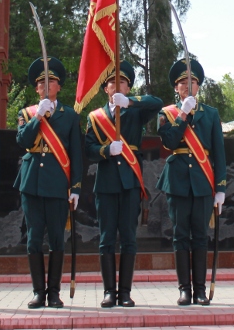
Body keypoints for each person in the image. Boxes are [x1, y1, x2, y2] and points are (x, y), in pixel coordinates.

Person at [84, 61, 163, 307]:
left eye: (123, 83)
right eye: (112, 83)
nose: (117, 86)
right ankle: (109, 291)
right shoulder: (95, 117)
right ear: (105, 89)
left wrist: (129, 102)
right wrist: (106, 150)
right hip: (106, 183)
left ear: (128, 87)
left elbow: (157, 103)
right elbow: (88, 149)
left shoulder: (135, 111)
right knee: (107, 237)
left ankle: (125, 292)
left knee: (128, 237)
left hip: (130, 182)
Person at [157, 58, 226, 306]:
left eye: (192, 82)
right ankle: (184, 289)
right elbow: (170, 143)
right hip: (176, 182)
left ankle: (199, 289)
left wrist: (220, 188)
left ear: (199, 86)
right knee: (180, 236)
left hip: (202, 180)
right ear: (176, 88)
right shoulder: (167, 113)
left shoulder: (211, 114)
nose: (188, 86)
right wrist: (183, 114)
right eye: (182, 83)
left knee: (200, 236)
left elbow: (219, 153)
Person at [16, 57, 82, 309]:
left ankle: (54, 292)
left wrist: (75, 187)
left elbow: (76, 153)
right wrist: (38, 117)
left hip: (57, 184)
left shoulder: (70, 116)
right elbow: (22, 141)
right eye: (41, 82)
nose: (46, 85)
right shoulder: (27, 113)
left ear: (59, 86)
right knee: (33, 239)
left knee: (56, 238)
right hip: (31, 183)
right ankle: (38, 292)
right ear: (36, 88)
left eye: (50, 81)